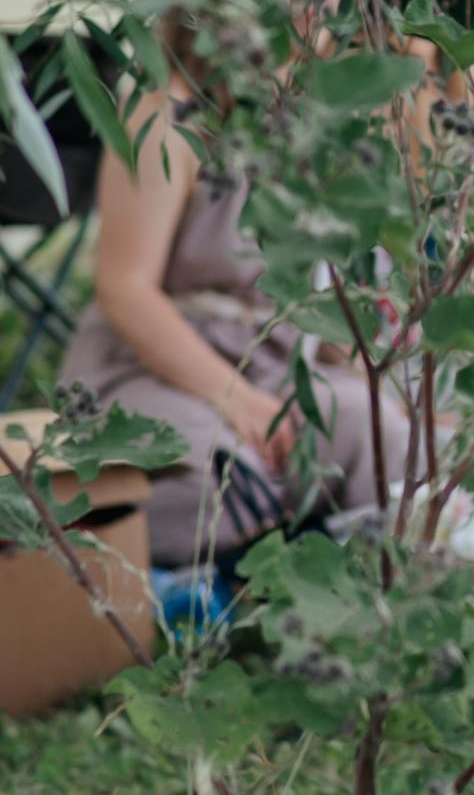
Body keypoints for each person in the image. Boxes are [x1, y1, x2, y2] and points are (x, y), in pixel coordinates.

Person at [60, 72, 409, 570]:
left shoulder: (317, 122)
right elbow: (125, 289)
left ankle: (377, 594)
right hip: (154, 368)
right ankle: (206, 607)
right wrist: (237, 399)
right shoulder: (164, 117)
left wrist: (385, 385)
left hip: (271, 364)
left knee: (370, 426)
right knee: (219, 470)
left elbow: (320, 294)